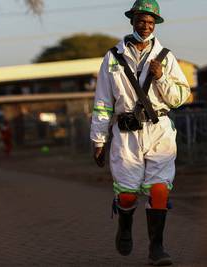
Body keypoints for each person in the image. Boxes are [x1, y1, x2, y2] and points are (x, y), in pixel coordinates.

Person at [90, 0, 190, 265]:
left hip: (159, 131)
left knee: (159, 190)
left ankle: (156, 248)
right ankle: (124, 227)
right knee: (127, 193)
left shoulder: (166, 57)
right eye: (141, 21)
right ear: (132, 20)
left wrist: (161, 78)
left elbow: (181, 97)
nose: (145, 26)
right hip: (125, 134)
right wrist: (98, 139)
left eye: (150, 22)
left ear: (155, 24)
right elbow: (102, 102)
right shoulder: (112, 57)